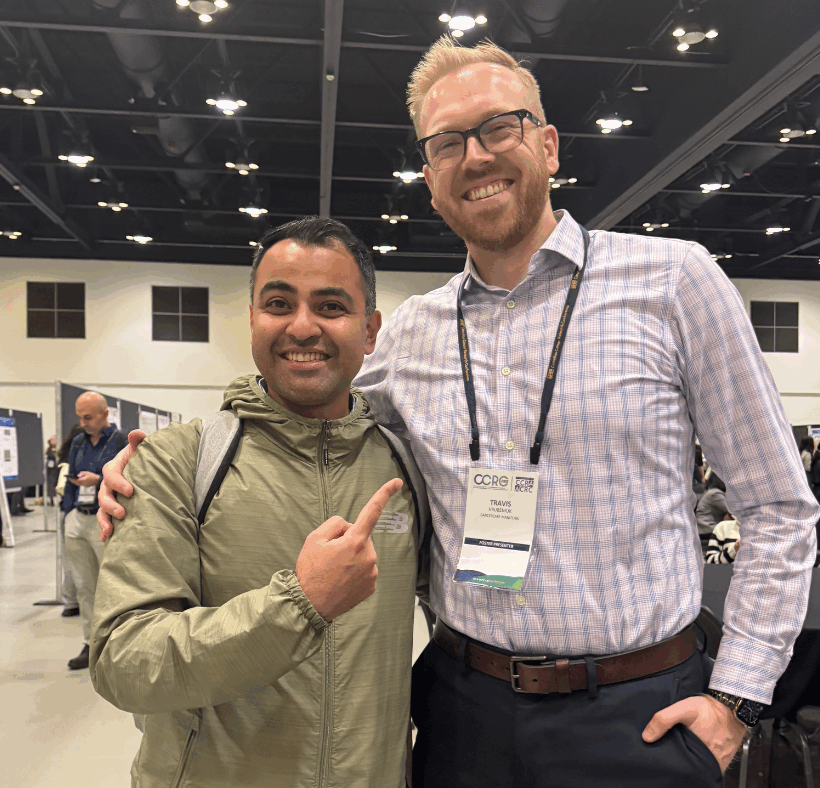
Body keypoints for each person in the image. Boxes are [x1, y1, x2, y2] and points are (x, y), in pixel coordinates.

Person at [100, 37, 819, 788]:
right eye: (447, 143)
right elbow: (307, 411)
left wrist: (736, 697)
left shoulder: (674, 284)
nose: (474, 157)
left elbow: (777, 505)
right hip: (462, 711)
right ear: (431, 178)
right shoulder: (412, 332)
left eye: (497, 128)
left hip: (636, 714)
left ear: (546, 144)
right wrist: (155, 460)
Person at [90, 217, 426, 787]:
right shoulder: (178, 463)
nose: (302, 326)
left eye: (330, 306)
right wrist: (298, 607)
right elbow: (123, 661)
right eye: (278, 302)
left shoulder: (406, 466)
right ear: (251, 318)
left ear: (370, 332)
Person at [63, 393, 126, 669]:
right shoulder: (77, 442)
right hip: (78, 518)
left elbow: (131, 478)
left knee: (111, 585)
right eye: (79, 417)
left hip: (106, 521)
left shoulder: (121, 441)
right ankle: (90, 643)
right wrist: (68, 514)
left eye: (87, 417)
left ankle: (117, 640)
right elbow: (69, 479)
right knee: (84, 586)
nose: (83, 422)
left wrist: (98, 480)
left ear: (104, 414)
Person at [56, 425, 85, 617]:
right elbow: (62, 488)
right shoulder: (72, 462)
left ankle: (71, 602)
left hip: (70, 513)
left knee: (72, 560)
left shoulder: (68, 458)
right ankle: (72, 601)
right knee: (77, 561)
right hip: (74, 514)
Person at [695, 472, 729, 545]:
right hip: (707, 527)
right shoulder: (715, 494)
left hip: (706, 527)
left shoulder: (711, 492)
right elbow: (731, 509)